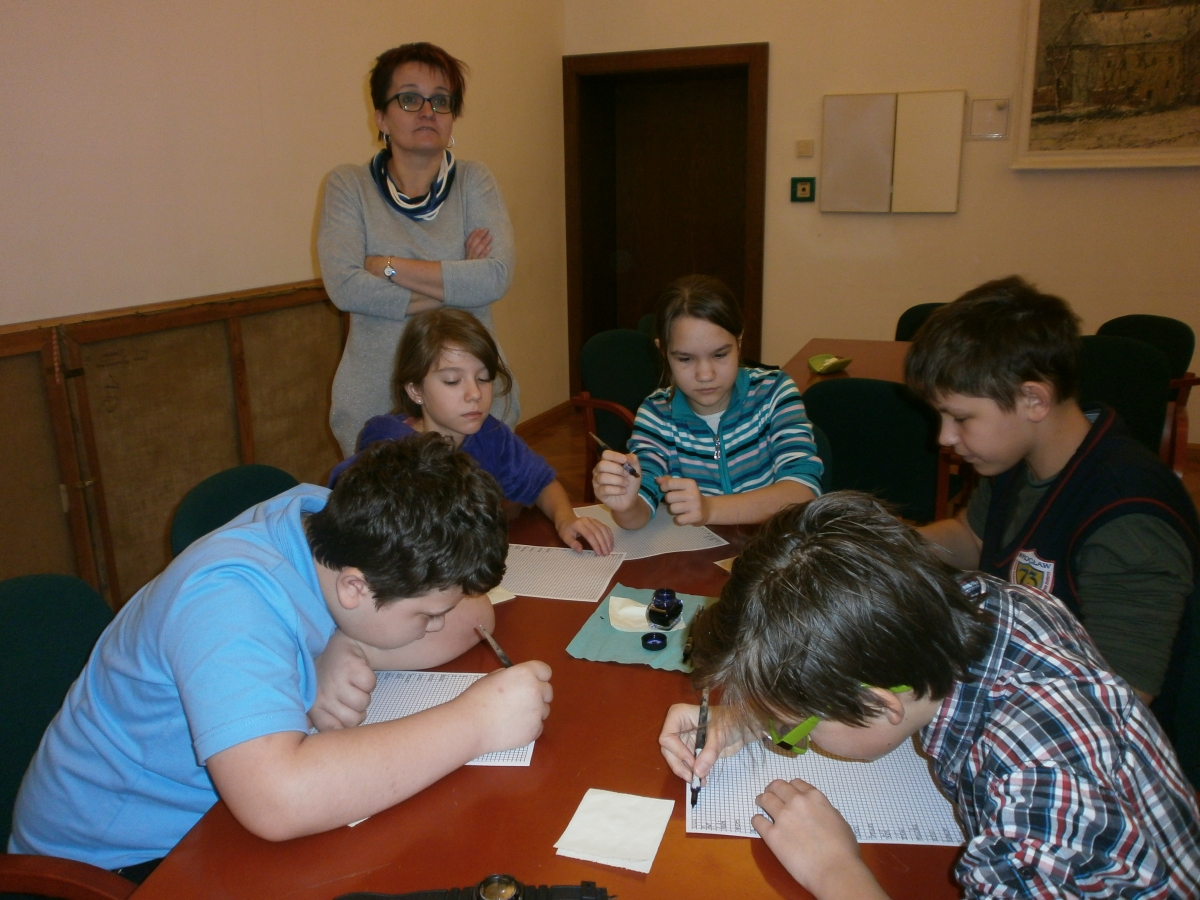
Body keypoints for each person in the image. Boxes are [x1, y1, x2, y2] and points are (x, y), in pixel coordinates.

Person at [9, 435, 553, 876]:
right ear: (355, 589)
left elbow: (473, 615)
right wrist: (477, 723)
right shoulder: (225, 602)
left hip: (212, 819)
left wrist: (350, 641)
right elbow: (278, 799)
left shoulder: (326, 520)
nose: (434, 625)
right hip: (114, 864)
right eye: (425, 616)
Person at [660, 492, 1200, 900]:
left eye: (795, 732)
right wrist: (751, 714)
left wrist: (835, 871)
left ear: (880, 705)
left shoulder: (1037, 809)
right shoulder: (984, 600)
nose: (788, 735)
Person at [905, 276, 1197, 716]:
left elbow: (1121, 699)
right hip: (1020, 679)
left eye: (960, 418)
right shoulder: (1019, 456)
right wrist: (881, 547)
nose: (944, 438)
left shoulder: (1128, 518)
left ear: (1034, 400)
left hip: (1087, 729)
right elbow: (972, 537)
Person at [319, 42, 519, 458]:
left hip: (474, 403)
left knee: (481, 499)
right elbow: (345, 287)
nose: (428, 111)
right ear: (381, 117)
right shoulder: (348, 186)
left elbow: (495, 277)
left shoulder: (474, 181)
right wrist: (459, 279)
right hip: (373, 397)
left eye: (441, 101)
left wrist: (385, 265)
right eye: (409, 99)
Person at [329, 308, 613, 555]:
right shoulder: (389, 448)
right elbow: (347, 510)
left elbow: (540, 482)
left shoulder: (491, 435)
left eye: (484, 378)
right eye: (453, 381)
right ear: (416, 390)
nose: (475, 393)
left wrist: (565, 519)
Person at [591, 275, 823, 530]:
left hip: (774, 543)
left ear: (739, 343)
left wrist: (710, 509)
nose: (705, 374)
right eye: (685, 359)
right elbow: (640, 510)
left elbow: (803, 491)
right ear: (664, 352)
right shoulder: (655, 414)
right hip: (704, 549)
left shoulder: (774, 392)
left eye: (720, 354)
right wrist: (626, 506)